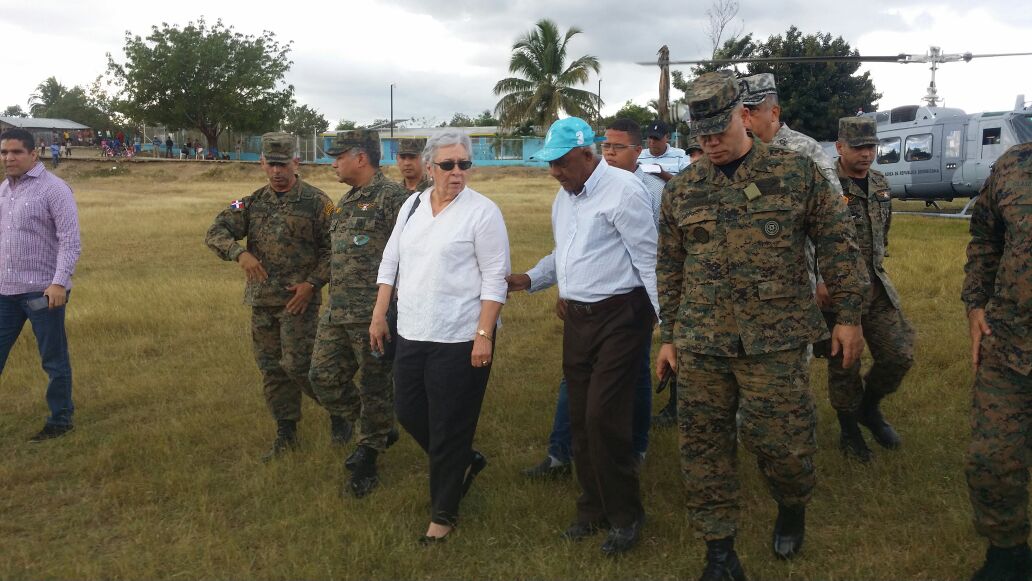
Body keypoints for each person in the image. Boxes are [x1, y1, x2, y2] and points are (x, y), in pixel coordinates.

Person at [655, 72, 868, 578]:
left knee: (785, 447)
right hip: (702, 341)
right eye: (701, 136)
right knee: (703, 448)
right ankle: (719, 552)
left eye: (719, 131)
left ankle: (792, 505)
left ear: (744, 117)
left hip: (775, 341)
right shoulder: (682, 191)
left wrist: (850, 317)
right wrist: (669, 337)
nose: (711, 143)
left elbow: (839, 246)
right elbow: (669, 266)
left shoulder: (797, 173)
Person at [507, 117, 658, 556]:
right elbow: (566, 251)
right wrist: (529, 279)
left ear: (587, 155)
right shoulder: (565, 196)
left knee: (603, 420)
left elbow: (648, 260)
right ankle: (592, 509)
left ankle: (627, 517)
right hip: (578, 321)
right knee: (579, 419)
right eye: (549, 164)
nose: (554, 171)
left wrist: (670, 329)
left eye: (561, 163)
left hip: (622, 318)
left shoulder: (624, 192)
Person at [370, 129, 510, 543]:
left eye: (464, 164)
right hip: (412, 330)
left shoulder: (483, 213)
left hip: (461, 335)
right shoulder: (412, 205)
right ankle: (463, 461)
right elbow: (390, 261)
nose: (456, 173)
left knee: (450, 424)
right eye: (447, 165)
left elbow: (495, 280)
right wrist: (380, 314)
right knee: (409, 410)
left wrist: (484, 334)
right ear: (430, 168)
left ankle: (443, 514)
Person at [205, 132, 347, 461]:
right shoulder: (251, 203)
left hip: (299, 301)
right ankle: (286, 430)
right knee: (272, 369)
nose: (278, 172)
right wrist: (238, 253)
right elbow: (216, 231)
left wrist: (312, 283)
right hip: (262, 301)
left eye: (284, 165)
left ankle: (339, 411)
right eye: (272, 165)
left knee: (300, 366)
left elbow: (335, 248)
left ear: (296, 163)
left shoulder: (317, 202)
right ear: (262, 163)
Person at [309, 130, 408, 498]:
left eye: (338, 156)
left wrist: (390, 311)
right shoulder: (346, 201)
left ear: (361, 157)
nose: (332, 162)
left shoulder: (395, 199)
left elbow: (411, 257)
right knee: (321, 377)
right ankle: (380, 429)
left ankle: (368, 457)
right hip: (337, 313)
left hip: (374, 316)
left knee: (374, 387)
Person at [817, 117, 915, 461]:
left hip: (875, 285)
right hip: (838, 290)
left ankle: (868, 409)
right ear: (840, 147)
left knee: (899, 354)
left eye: (871, 147)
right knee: (845, 363)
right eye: (858, 147)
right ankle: (849, 430)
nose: (866, 154)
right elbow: (807, 235)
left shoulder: (879, 182)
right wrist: (819, 278)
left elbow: (882, 233)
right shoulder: (825, 182)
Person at [963, 141, 1032, 580]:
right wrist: (975, 304)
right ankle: (1007, 554)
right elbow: (986, 235)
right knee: (990, 460)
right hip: (1010, 344)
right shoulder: (1014, 164)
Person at [0, 128, 82, 442]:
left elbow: (70, 242)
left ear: (34, 154)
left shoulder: (54, 190)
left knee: (53, 358)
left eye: (16, 152)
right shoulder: (4, 191)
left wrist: (59, 283)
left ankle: (61, 420)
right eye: (5, 152)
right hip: (6, 292)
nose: (9, 158)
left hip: (43, 292)